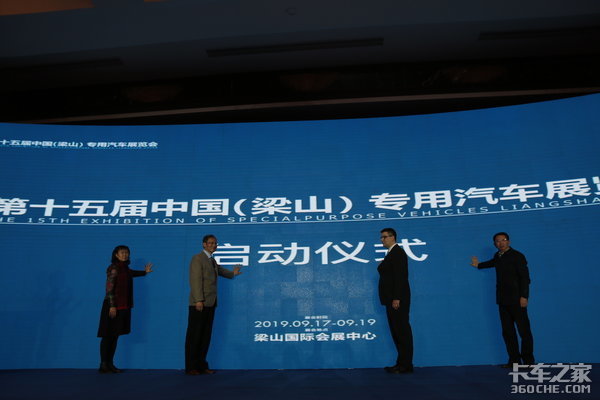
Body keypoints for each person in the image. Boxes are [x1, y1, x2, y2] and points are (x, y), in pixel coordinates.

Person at [470, 232, 535, 367]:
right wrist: (478, 265)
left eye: (503, 240)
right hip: (503, 300)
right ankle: (514, 361)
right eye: (498, 241)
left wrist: (524, 296)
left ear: (508, 241)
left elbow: (525, 278)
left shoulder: (518, 256)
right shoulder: (498, 255)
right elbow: (493, 263)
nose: (501, 243)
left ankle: (528, 362)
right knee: (508, 333)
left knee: (524, 332)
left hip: (517, 300)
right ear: (495, 244)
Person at [185, 234, 242, 375]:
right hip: (199, 303)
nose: (213, 245)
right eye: (210, 243)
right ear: (204, 244)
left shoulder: (212, 260)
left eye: (215, 243)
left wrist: (233, 273)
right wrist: (199, 299)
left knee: (205, 336)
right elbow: (195, 280)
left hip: (210, 302)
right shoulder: (197, 258)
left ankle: (201, 365)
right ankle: (191, 367)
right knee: (195, 336)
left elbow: (220, 271)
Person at [97, 245, 154, 373]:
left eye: (127, 252)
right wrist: (112, 306)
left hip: (122, 307)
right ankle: (103, 364)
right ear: (116, 255)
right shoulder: (113, 268)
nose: (125, 254)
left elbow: (132, 273)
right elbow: (109, 289)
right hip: (112, 306)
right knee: (108, 336)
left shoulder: (125, 268)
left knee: (115, 336)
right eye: (122, 252)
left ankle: (110, 363)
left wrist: (144, 272)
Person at [377, 228, 414, 374]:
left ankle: (406, 365)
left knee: (402, 332)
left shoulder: (397, 253)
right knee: (397, 332)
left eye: (384, 237)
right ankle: (401, 363)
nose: (382, 240)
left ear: (393, 237)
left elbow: (400, 277)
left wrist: (397, 297)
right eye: (381, 237)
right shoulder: (391, 253)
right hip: (391, 299)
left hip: (397, 300)